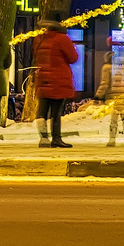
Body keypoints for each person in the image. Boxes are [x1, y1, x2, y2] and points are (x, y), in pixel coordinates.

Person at [32, 12, 79, 148]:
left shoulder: (39, 39)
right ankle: (56, 139)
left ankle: (43, 138)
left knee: (42, 111)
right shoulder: (62, 38)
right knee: (56, 113)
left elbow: (35, 56)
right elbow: (73, 57)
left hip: (43, 79)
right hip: (59, 79)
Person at [96, 47, 124, 148]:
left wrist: (99, 95)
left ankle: (112, 140)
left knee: (114, 120)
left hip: (113, 97)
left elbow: (105, 84)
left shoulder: (107, 67)